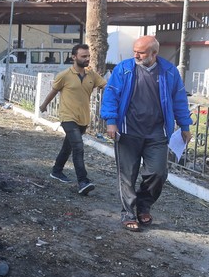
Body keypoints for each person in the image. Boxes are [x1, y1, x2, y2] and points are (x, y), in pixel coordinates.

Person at [99, 35, 192, 232]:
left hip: (157, 133)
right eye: (135, 51)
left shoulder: (169, 72)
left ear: (154, 53)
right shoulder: (123, 69)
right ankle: (129, 212)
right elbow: (111, 95)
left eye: (140, 52)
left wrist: (185, 126)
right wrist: (111, 121)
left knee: (158, 173)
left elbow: (179, 100)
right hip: (127, 131)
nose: (136, 55)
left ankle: (144, 205)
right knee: (127, 175)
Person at [39, 44, 106, 196]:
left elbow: (106, 86)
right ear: (74, 57)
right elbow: (53, 92)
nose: (87, 59)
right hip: (67, 117)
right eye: (83, 56)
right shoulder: (64, 75)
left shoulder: (92, 75)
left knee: (68, 147)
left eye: (88, 56)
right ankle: (83, 181)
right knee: (78, 147)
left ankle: (56, 171)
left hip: (83, 118)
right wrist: (43, 105)